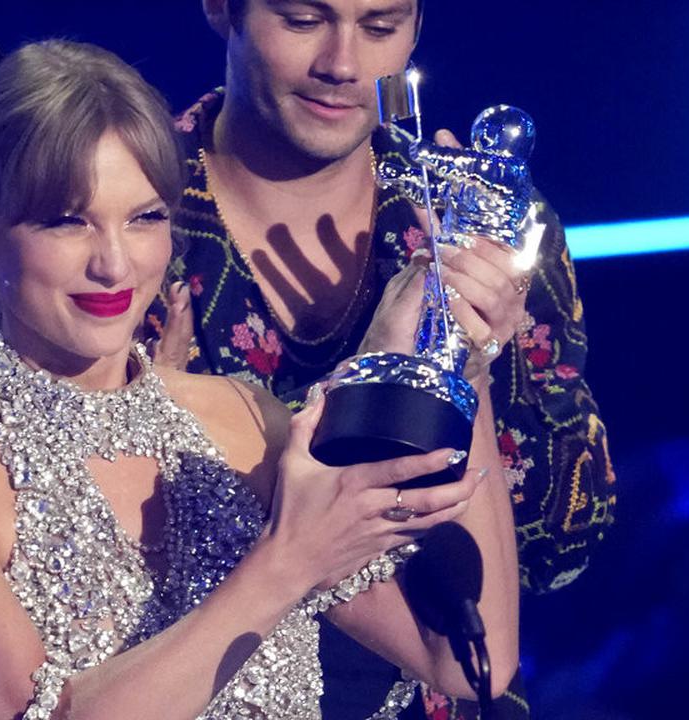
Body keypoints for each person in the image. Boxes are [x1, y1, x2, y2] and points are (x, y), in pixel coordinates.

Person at [0, 39, 520, 720]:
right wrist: (285, 562)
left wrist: (459, 343)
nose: (114, 264)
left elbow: (465, 662)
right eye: (68, 221)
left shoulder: (241, 420)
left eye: (144, 218)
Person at [144, 1, 616, 715]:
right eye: (303, 20)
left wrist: (471, 360)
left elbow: (560, 546)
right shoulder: (131, 215)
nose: (341, 65)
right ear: (221, 9)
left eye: (379, 27)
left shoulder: (485, 221)